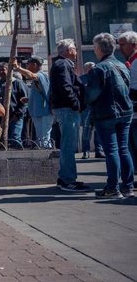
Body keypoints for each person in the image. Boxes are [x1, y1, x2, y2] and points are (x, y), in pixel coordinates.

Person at [85, 33, 134, 198]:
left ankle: (113, 188)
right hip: (126, 112)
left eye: (94, 47)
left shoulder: (98, 69)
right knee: (123, 149)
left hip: (107, 113)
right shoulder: (122, 65)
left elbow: (91, 95)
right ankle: (128, 187)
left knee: (112, 150)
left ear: (99, 49)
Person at [49, 39, 91, 193]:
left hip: (66, 109)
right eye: (74, 49)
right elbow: (66, 87)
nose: (76, 52)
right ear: (67, 51)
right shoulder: (63, 64)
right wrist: (76, 104)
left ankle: (65, 177)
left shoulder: (61, 64)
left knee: (68, 144)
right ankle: (68, 180)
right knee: (68, 146)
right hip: (67, 110)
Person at [12, 57, 54, 149]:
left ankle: (48, 158)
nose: (26, 66)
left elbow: (31, 75)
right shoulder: (39, 78)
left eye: (28, 64)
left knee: (44, 139)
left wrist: (18, 68)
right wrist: (29, 99)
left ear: (34, 65)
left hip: (45, 112)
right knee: (40, 138)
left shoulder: (41, 75)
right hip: (39, 112)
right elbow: (42, 93)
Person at [0, 62, 28, 148]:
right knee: (4, 139)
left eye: (3, 70)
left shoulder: (17, 83)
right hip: (1, 117)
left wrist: (18, 114)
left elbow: (24, 100)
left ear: (8, 70)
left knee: (15, 137)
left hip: (16, 116)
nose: (1, 72)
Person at [117, 31, 137, 167]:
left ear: (134, 45)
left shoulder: (135, 62)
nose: (120, 48)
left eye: (123, 44)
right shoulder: (131, 62)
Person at [79, 62, 104, 159]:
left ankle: (99, 150)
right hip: (86, 109)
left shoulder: (98, 77)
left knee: (98, 130)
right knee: (86, 130)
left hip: (98, 108)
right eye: (91, 68)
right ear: (87, 69)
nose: (93, 69)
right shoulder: (82, 79)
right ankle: (86, 151)